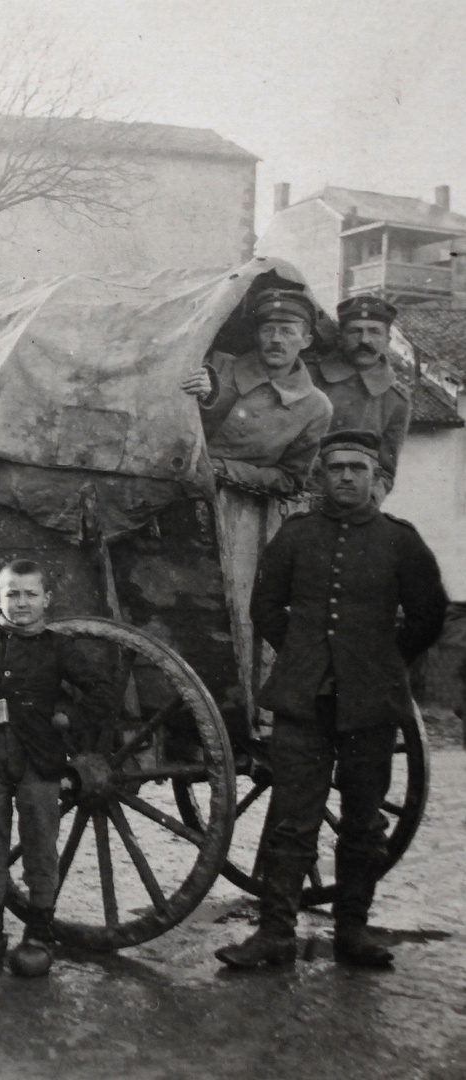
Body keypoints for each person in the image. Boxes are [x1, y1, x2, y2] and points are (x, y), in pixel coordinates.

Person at [215, 429, 446, 970]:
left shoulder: (400, 541)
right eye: (337, 467)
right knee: (293, 820)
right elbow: (265, 608)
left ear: (377, 479)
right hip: (304, 701)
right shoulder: (296, 536)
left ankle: (353, 932)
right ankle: (275, 934)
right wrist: (302, 656)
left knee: (364, 823)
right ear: (321, 475)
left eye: (357, 469)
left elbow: (428, 615)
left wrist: (381, 662)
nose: (346, 476)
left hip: (371, 704)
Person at [0, 560, 114, 976]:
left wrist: (68, 720)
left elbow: (101, 690)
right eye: (12, 594)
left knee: (40, 841)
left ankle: (39, 934)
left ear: (46, 600)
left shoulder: (59, 647)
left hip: (39, 761)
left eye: (30, 595)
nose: (21, 604)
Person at [181, 288, 333, 497]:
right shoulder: (215, 365)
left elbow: (291, 480)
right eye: (268, 330)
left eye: (287, 331)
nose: (276, 339)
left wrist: (226, 469)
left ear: (306, 341)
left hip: (241, 506)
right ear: (256, 335)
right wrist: (205, 398)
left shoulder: (316, 406)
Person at [306, 296, 411, 499]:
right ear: (340, 338)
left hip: (351, 504)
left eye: (374, 331)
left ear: (387, 341)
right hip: (294, 494)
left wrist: (368, 502)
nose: (365, 340)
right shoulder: (309, 376)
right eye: (355, 331)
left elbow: (386, 472)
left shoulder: (396, 399)